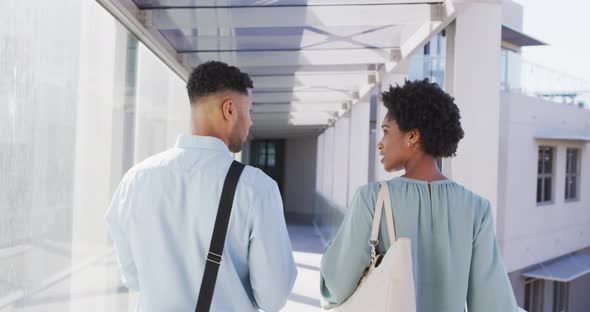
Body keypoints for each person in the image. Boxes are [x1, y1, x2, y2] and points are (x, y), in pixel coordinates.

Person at [105, 61, 297, 311]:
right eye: (249, 110)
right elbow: (273, 298)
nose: (250, 122)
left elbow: (132, 276)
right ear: (229, 110)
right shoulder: (256, 189)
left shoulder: (136, 179)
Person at [320, 79, 518, 311]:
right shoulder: (476, 207)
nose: (380, 144)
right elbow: (493, 303)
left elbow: (336, 284)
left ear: (412, 136)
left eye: (386, 132)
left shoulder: (373, 198)